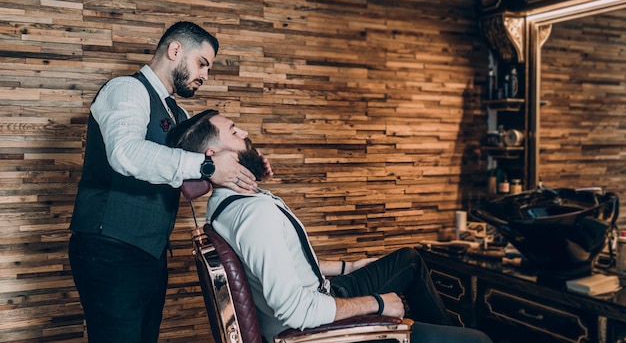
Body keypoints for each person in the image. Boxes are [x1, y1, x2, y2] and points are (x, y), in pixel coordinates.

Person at [166, 109, 493, 343]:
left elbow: (278, 263)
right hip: (314, 326)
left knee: (410, 260)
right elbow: (296, 311)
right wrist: (379, 304)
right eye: (235, 132)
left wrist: (349, 266)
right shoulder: (254, 215)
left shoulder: (222, 206)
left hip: (321, 293)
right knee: (477, 340)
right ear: (214, 154)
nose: (245, 134)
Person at [68, 21, 271, 343]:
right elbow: (125, 153)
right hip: (109, 247)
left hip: (150, 251)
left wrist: (249, 163)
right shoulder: (126, 89)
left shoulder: (178, 113)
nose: (204, 74)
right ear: (175, 50)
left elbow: (193, 182)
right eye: (201, 63)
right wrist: (206, 166)